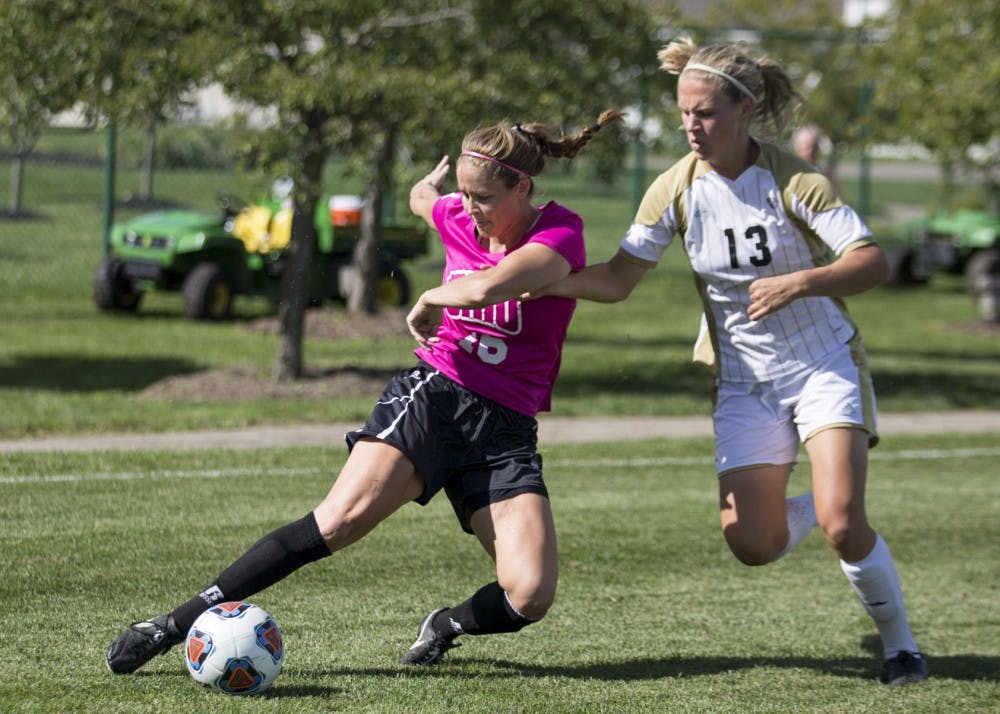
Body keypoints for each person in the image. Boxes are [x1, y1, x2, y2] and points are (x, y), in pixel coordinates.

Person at [105, 108, 624, 674]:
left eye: (483, 198)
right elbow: (424, 200)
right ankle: (168, 626)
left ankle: (444, 625)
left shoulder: (559, 232)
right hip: (436, 395)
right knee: (338, 522)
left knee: (530, 595)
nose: (469, 209)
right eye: (464, 195)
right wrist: (427, 185)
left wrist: (430, 297)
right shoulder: (458, 212)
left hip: (505, 429)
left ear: (521, 186)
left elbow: (492, 285)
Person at [529, 37, 929, 686]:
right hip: (744, 380)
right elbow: (619, 278)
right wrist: (543, 282)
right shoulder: (675, 189)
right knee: (754, 544)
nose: (692, 124)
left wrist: (800, 282)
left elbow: (871, 262)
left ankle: (902, 647)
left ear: (746, 109)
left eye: (706, 112)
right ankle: (822, 505)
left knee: (843, 524)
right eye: (684, 112)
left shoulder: (794, 179)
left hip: (824, 363)